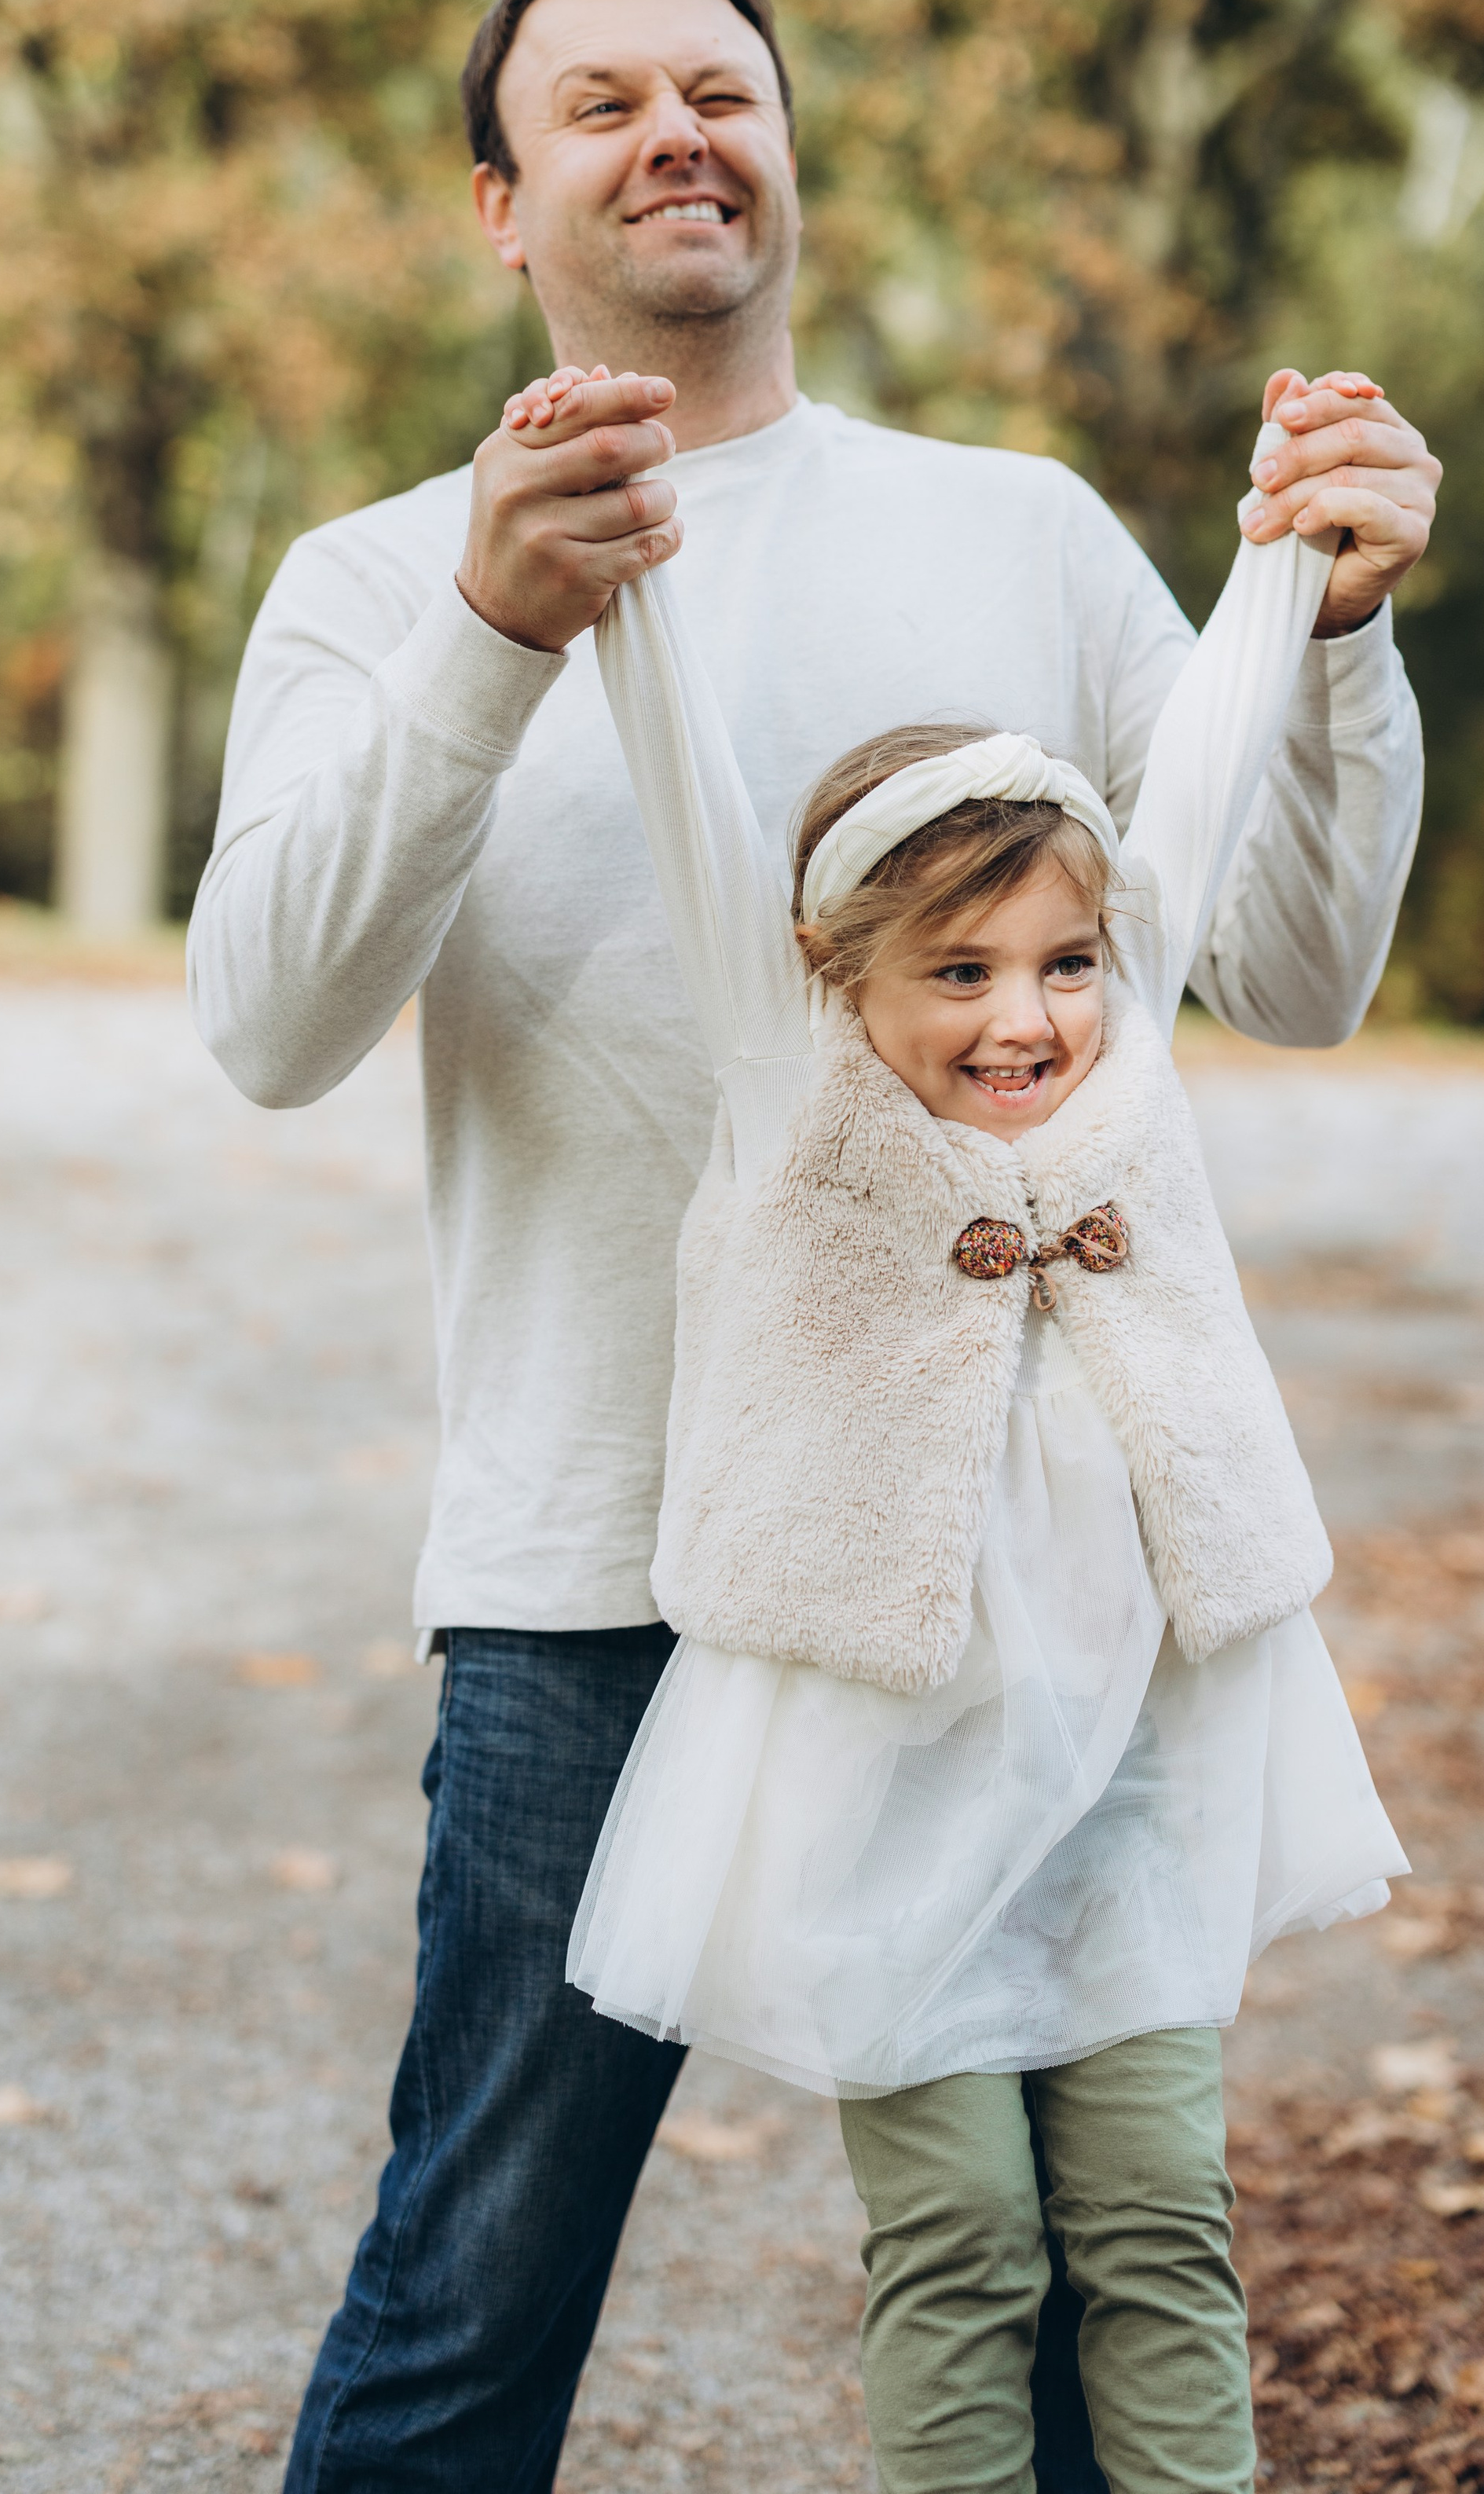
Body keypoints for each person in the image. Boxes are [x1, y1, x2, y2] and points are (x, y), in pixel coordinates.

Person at [185, 0, 1440, 2494]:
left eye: (721, 91)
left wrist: (1329, 637)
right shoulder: (366, 581)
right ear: (498, 205)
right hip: (594, 1561)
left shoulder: (1016, 530)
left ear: (788, 150)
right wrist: (484, 643)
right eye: (601, 102)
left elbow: (1290, 965)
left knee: (1079, 2264)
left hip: (1009, 1569)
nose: (677, 135)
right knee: (475, 2278)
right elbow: (272, 1024)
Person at [555, 364, 1409, 2489]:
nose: (1023, 1017)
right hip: (882, 1795)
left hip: (1132, 1775)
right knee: (962, 2242)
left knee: (1155, 2227)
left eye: (1060, 962)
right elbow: (684, 789)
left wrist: (1282, 550)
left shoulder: (1123, 1076)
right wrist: (628, 560)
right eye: (957, 971)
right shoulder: (798, 1091)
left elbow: (1196, 796)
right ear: (841, 980)